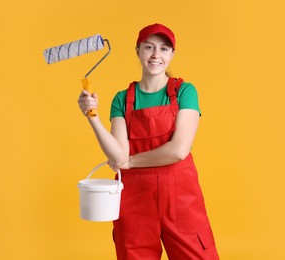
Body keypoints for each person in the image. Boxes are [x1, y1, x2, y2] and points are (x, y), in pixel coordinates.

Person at [78, 23, 219, 260]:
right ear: (138, 50)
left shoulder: (185, 92)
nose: (156, 55)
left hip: (181, 201)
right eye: (149, 47)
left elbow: (178, 150)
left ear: (172, 54)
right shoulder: (122, 99)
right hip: (135, 202)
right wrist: (92, 116)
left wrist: (131, 162)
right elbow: (117, 156)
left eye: (164, 49)